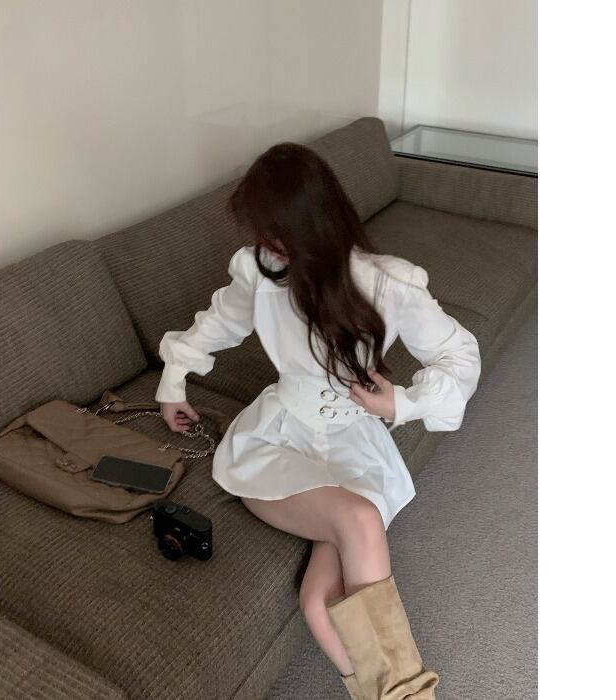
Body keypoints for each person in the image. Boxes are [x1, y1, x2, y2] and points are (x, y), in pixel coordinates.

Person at [155, 142, 481, 699]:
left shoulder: (390, 283)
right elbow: (217, 324)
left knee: (318, 602)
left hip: (354, 442)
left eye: (271, 230)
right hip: (276, 440)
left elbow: (459, 355)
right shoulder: (261, 273)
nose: (265, 244)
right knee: (360, 521)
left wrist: (400, 404)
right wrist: (172, 382)